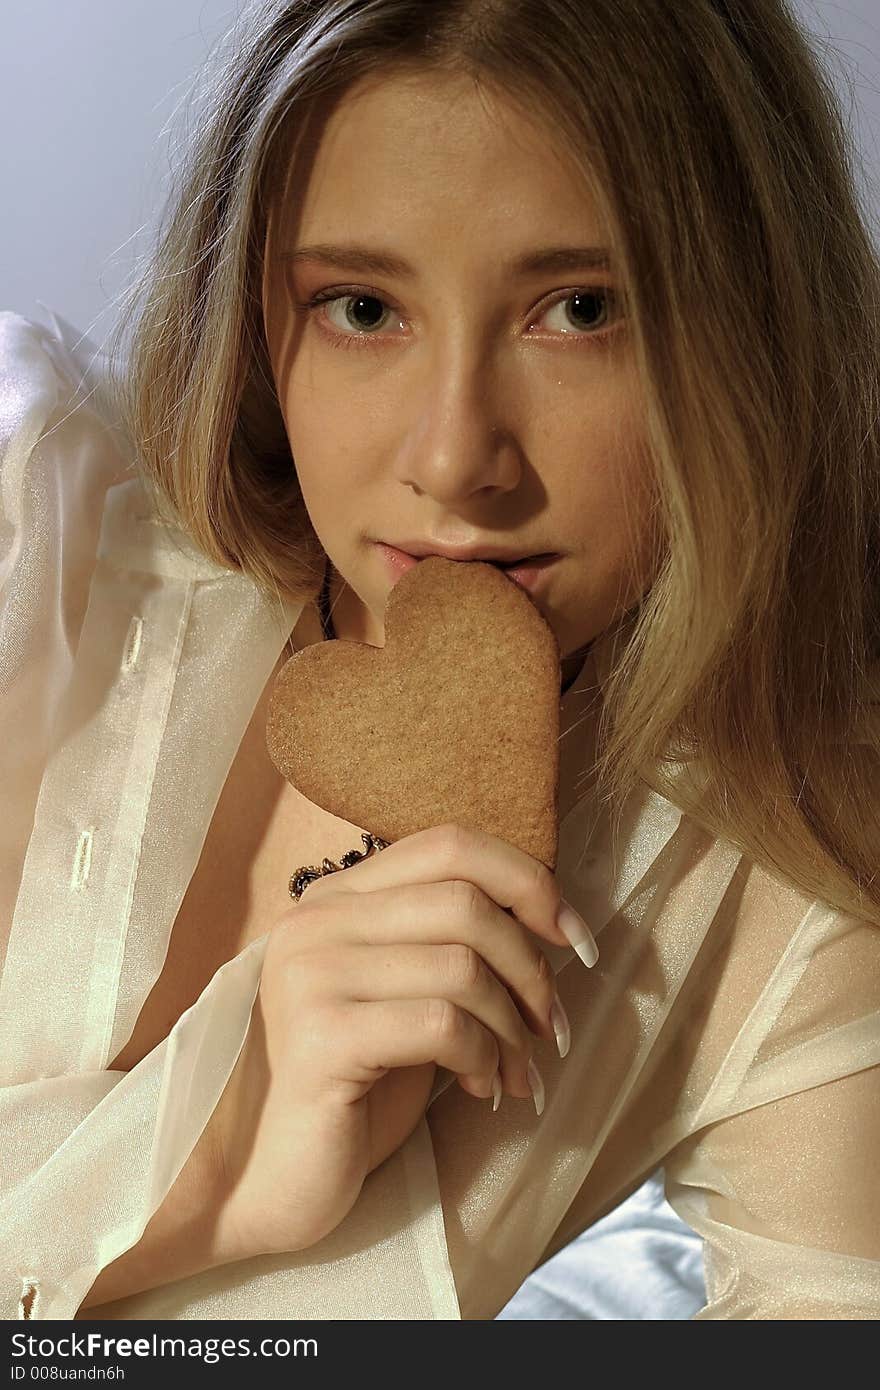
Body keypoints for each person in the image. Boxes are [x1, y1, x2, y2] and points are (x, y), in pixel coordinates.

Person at [1, 0, 879, 1322]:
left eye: (580, 310)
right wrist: (221, 1176)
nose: (456, 455)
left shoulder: (791, 896)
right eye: (362, 306)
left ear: (754, 327)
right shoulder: (30, 528)